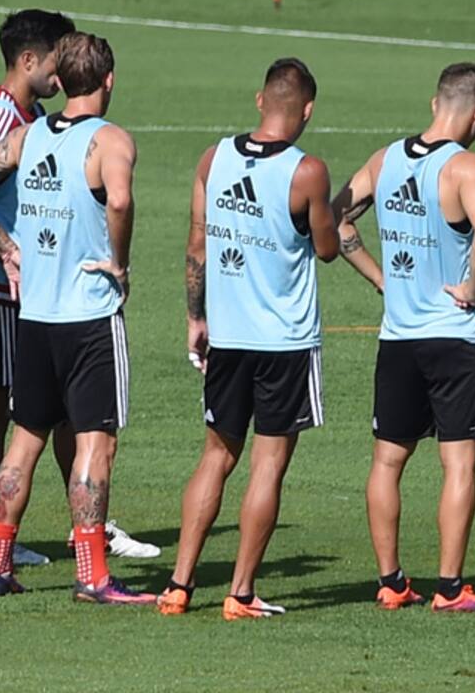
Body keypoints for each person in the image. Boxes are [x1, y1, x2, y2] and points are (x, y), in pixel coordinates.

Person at [0, 31, 154, 604]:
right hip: (89, 316)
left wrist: (6, 248)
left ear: (58, 80)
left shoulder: (27, 135)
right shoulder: (111, 140)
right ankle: (91, 575)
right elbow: (119, 201)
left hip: (34, 315)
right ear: (109, 80)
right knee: (95, 442)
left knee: (25, 441)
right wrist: (121, 263)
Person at [156, 58, 339, 620]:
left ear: (260, 100)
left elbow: (196, 247)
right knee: (268, 465)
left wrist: (195, 317)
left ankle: (179, 585)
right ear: (307, 111)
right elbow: (327, 248)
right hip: (284, 342)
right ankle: (240, 593)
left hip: (228, 336)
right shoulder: (308, 172)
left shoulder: (214, 158)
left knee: (216, 456)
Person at [333, 63, 475, 612]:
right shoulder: (465, 165)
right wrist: (473, 287)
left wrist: (380, 278)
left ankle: (390, 581)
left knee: (387, 461)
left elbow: (336, 219)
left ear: (435, 104)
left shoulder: (385, 160)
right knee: (459, 463)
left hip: (399, 334)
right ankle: (450, 588)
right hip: (455, 337)